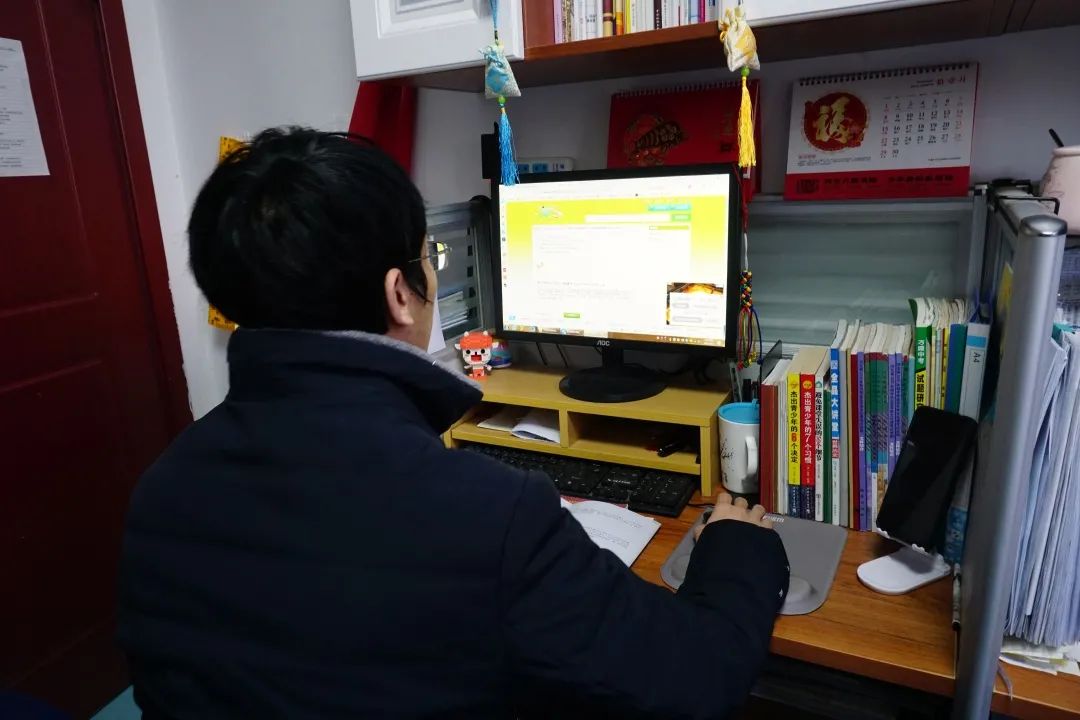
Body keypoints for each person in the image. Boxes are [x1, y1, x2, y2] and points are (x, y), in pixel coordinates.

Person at [117, 127, 790, 719]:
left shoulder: (162, 490)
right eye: (428, 260)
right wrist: (735, 546)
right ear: (399, 294)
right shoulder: (488, 516)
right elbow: (698, 676)